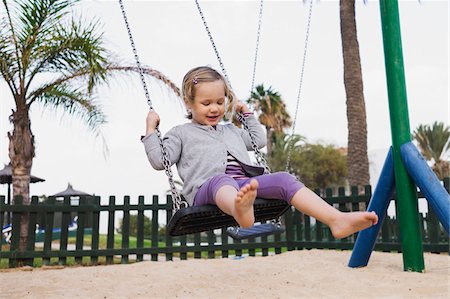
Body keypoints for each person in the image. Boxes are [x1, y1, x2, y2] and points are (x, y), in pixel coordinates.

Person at [142, 66, 378, 239]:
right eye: (206, 103)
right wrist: (151, 130)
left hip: (246, 186)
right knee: (222, 181)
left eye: (220, 102)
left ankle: (335, 220)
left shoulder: (231, 131)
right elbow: (159, 160)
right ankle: (240, 210)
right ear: (188, 103)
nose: (215, 108)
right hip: (207, 188)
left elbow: (258, 140)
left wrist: (247, 116)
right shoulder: (181, 133)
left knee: (284, 179)